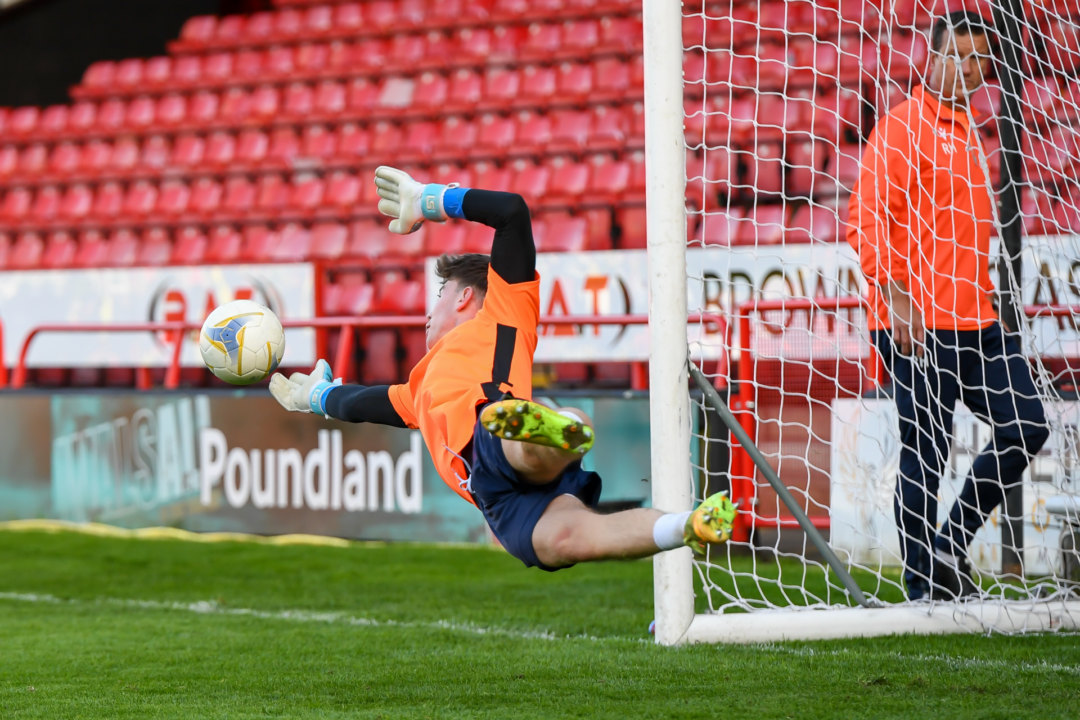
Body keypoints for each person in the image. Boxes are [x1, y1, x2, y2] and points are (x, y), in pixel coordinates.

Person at [269, 166, 736, 571]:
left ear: (465, 296)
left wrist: (429, 200)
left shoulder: (504, 310)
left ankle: (560, 428)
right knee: (563, 542)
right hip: (496, 500)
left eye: (439, 296)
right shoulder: (417, 387)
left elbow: (511, 212)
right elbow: (361, 403)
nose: (428, 314)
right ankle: (690, 525)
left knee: (511, 440)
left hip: (491, 431)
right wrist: (316, 398)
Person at [847, 11, 1049, 600]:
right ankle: (921, 587)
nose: (964, 69)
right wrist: (896, 296)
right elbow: (863, 220)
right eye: (954, 55)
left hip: (977, 323)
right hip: (916, 323)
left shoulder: (967, 131)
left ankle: (947, 544)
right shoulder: (904, 127)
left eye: (976, 59)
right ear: (931, 57)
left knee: (1027, 426)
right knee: (927, 453)